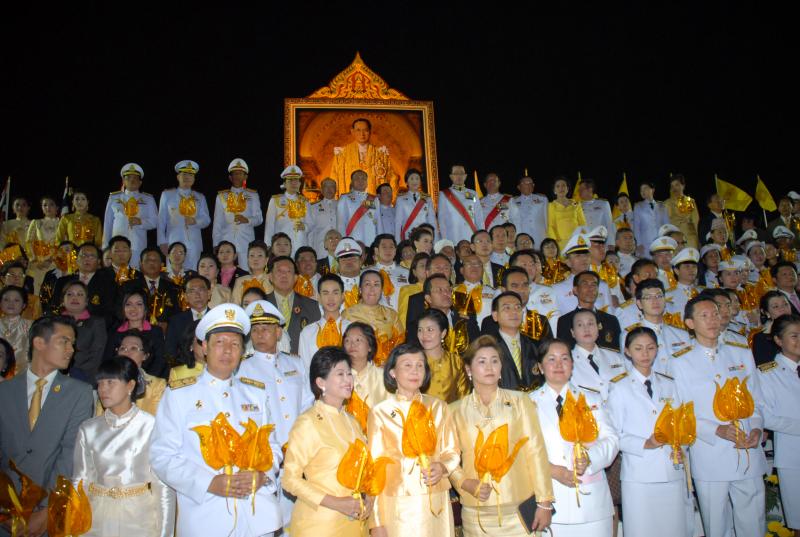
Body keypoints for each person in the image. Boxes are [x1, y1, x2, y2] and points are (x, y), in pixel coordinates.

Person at [150, 304, 282, 537]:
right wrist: (208, 483)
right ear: (204, 347)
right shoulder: (179, 395)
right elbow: (162, 456)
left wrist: (262, 476)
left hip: (257, 517)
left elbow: (272, 447)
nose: (227, 351)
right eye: (219, 342)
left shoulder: (256, 394)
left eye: (235, 344)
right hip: (206, 517)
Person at [667, 296, 767, 537]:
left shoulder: (740, 352)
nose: (712, 320)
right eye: (704, 316)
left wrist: (756, 427)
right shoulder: (680, 361)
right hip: (710, 453)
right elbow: (680, 411)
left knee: (753, 521)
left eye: (715, 313)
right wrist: (716, 429)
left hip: (746, 448)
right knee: (716, 523)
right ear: (690, 323)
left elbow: (756, 399)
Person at [450, 335, 554, 536]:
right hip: (476, 512)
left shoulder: (520, 401)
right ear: (469, 369)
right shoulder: (454, 410)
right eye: (482, 362)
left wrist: (545, 502)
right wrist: (464, 482)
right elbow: (448, 458)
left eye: (495, 361)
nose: (489, 367)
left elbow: (536, 451)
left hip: (519, 509)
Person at [0, 316, 94, 536]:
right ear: (39, 343)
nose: (71, 349)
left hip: (48, 514)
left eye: (72, 343)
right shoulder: (4, 391)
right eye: (64, 341)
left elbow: (70, 455)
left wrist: (47, 511)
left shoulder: (79, 393)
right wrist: (4, 510)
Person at [74, 355, 176, 537]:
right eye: (100, 383)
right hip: (96, 518)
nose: (103, 389)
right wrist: (73, 525)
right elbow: (80, 481)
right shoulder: (88, 429)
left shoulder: (150, 426)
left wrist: (164, 533)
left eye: (110, 382)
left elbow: (163, 488)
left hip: (139, 519)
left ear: (130, 386)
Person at [606, 327, 694, 537]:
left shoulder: (669, 383)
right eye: (638, 348)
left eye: (650, 348)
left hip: (671, 469)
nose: (645, 354)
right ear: (627, 351)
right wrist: (645, 443)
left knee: (674, 529)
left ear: (657, 349)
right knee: (642, 529)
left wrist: (681, 444)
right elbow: (614, 434)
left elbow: (682, 423)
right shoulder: (620, 387)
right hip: (640, 474)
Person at [367, 344, 460, 537]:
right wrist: (376, 521)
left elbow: (452, 452)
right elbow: (375, 468)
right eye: (407, 365)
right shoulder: (380, 412)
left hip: (436, 502)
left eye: (420, 365)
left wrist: (442, 467)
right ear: (392, 372)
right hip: (398, 504)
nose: (415, 371)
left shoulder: (439, 407)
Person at [529, 338, 619, 537]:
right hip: (551, 504)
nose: (559, 364)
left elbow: (611, 439)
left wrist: (590, 458)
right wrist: (553, 470)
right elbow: (522, 451)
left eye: (564, 358)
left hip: (593, 503)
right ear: (540, 367)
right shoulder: (528, 404)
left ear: (572, 364)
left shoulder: (591, 399)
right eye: (551, 359)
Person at [238, 300, 315, 531]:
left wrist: (300, 444)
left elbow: (307, 406)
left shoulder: (296, 363)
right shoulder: (241, 369)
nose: (260, 334)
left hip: (296, 455)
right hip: (263, 458)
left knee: (295, 521)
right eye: (255, 329)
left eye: (266, 328)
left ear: (279, 332)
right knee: (265, 521)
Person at [282, 347, 373, 536]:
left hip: (356, 524)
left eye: (349, 373)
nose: (348, 379)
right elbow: (290, 480)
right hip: (320, 524)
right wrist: (337, 503)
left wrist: (369, 499)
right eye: (340, 374)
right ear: (321, 382)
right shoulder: (308, 422)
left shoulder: (353, 422)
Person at [759, 314, 800, 535]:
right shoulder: (767, 373)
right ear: (778, 340)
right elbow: (766, 417)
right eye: (794, 336)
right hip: (793, 456)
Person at [481, 291, 541, 391]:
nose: (514, 312)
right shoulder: (486, 347)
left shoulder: (535, 344)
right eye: (507, 308)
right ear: (495, 316)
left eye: (518, 307)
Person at [157, 160, 210, 272]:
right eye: (184, 174)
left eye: (190, 175)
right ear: (178, 177)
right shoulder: (167, 195)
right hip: (173, 242)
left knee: (192, 274)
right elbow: (161, 220)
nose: (187, 177)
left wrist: (195, 221)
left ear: (194, 178)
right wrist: (161, 242)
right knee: (173, 275)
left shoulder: (200, 197)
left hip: (194, 244)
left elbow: (206, 220)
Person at [103, 163, 158, 269]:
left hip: (137, 246)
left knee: (135, 274)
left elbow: (155, 221)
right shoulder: (114, 198)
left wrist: (141, 222)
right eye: (128, 178)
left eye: (135, 178)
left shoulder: (148, 199)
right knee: (115, 274)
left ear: (140, 182)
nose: (132, 181)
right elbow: (108, 224)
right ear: (123, 181)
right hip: (117, 247)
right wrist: (106, 247)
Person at [342, 270, 403, 365]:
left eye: (376, 284)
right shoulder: (347, 314)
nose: (372, 289)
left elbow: (400, 342)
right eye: (367, 284)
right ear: (360, 289)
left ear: (381, 289)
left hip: (386, 366)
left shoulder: (391, 314)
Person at [212, 158, 264, 269]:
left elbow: (259, 218)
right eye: (235, 174)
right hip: (226, 241)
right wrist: (216, 243)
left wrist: (247, 220)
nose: (237, 176)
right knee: (226, 272)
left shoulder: (253, 195)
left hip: (246, 240)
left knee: (246, 272)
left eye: (240, 174)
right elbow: (217, 222)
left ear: (245, 177)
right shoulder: (222, 196)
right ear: (230, 177)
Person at [566, 308, 626, 402]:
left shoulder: (616, 358)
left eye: (590, 324)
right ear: (572, 332)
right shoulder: (566, 363)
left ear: (598, 328)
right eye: (580, 325)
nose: (586, 329)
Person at [264, 255, 321, 354]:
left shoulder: (312, 306)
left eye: (288, 271)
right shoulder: (261, 304)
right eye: (279, 271)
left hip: (302, 361)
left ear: (295, 278)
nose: (284, 275)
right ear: (270, 277)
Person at [106, 289, 167, 379]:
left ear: (145, 308)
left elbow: (160, 360)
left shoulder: (156, 331)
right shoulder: (114, 332)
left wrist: (146, 380)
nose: (133, 308)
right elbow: (107, 360)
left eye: (139, 304)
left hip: (149, 380)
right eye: (128, 304)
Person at [556, 271, 621, 351]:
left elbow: (617, 351)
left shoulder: (611, 320)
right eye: (585, 284)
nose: (590, 289)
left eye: (594, 285)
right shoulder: (565, 321)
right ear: (575, 290)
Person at [52, 242, 117, 321]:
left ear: (99, 261)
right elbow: (53, 307)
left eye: (92, 256)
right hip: (64, 324)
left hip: (95, 326)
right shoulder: (62, 282)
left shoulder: (108, 283)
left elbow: (109, 312)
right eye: (83, 255)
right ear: (76, 259)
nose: (87, 259)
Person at [330, 118, 396, 196]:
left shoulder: (381, 154)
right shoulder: (342, 154)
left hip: (373, 199)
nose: (362, 134)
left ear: (370, 132)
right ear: (352, 132)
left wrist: (390, 199)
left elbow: (391, 178)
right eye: (358, 130)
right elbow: (334, 179)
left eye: (365, 130)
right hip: (349, 199)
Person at [298, 274, 351, 369]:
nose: (330, 298)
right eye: (325, 293)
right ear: (319, 297)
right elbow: (304, 370)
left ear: (343, 296)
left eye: (335, 293)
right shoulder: (307, 332)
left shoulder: (352, 329)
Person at [552, 234, 615, 315]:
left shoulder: (602, 286)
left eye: (586, 255)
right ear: (568, 262)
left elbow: (610, 315)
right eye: (578, 256)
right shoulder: (557, 289)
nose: (584, 258)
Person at [416, 309, 469, 403]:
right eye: (420, 330)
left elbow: (464, 399)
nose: (424, 335)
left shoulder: (456, 361)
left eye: (430, 330)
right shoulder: (413, 362)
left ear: (443, 333)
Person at [122, 247, 182, 330]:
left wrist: (169, 325)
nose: (151, 263)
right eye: (148, 260)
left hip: (165, 333)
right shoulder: (128, 286)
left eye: (155, 260)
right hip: (136, 331)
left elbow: (178, 314)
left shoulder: (173, 288)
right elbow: (121, 312)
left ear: (162, 264)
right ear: (141, 264)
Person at [60, 280, 107, 385]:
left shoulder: (96, 323)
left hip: (85, 378)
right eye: (70, 294)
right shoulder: (54, 322)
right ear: (62, 300)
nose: (74, 298)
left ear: (86, 301)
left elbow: (97, 356)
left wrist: (74, 373)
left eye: (80, 294)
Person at [165, 274, 211, 366]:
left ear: (209, 293)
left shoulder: (217, 319)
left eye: (201, 290)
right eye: (192, 291)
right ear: (185, 296)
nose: (197, 295)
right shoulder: (176, 321)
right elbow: (170, 352)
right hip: (184, 369)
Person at [265, 165, 311, 255]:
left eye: (296, 180)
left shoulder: (305, 201)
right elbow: (269, 225)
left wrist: (305, 227)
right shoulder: (275, 200)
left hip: (300, 243)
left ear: (300, 183)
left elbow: (311, 222)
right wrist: (268, 246)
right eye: (290, 180)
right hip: (282, 245)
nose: (294, 183)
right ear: (285, 184)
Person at [438, 164, 483, 245]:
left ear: (465, 176)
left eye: (461, 173)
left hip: (471, 234)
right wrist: (445, 240)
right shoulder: (444, 194)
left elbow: (479, 217)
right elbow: (442, 220)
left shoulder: (473, 194)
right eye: (456, 173)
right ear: (451, 176)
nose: (459, 176)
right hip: (453, 236)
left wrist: (481, 236)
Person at [25, 196, 61, 293]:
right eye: (45, 205)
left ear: (57, 207)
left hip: (57, 263)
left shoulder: (62, 223)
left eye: (51, 204)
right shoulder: (36, 223)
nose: (48, 207)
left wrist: (53, 259)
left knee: (55, 291)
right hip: (39, 264)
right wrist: (35, 260)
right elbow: (28, 242)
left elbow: (64, 243)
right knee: (38, 291)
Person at [336, 170, 379, 247]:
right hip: (353, 240)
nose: (360, 181)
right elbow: (341, 224)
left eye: (363, 179)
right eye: (357, 178)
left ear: (367, 182)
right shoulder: (345, 198)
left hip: (371, 240)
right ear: (352, 182)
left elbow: (378, 221)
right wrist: (344, 242)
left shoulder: (374, 199)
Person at [395, 169, 437, 241]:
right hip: (408, 237)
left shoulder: (427, 199)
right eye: (411, 179)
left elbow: (432, 221)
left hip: (424, 237)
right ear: (406, 182)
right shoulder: (401, 199)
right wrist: (398, 242)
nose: (414, 181)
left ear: (420, 182)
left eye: (417, 179)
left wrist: (435, 240)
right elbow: (398, 223)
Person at [508, 174, 549, 249]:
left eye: (530, 183)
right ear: (519, 187)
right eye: (524, 183)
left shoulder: (542, 199)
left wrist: (547, 235)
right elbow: (510, 220)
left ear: (533, 185)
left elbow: (547, 219)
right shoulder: (513, 201)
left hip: (539, 237)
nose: (528, 185)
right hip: (522, 237)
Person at [752, 291, 792, 364]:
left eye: (785, 304)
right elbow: (765, 366)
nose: (783, 309)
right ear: (766, 312)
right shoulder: (762, 338)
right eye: (776, 307)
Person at [0, 285, 32, 374]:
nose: (11, 303)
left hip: (23, 374)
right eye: (6, 300)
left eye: (16, 300)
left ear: (24, 305)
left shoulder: (31, 326)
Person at [547, 177, 586, 251]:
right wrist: (555, 241)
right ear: (554, 190)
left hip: (577, 240)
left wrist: (583, 237)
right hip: (560, 242)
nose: (561, 188)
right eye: (558, 186)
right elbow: (551, 225)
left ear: (567, 189)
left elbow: (582, 223)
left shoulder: (576, 204)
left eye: (563, 185)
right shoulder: (551, 206)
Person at [664, 174, 700, 250]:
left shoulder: (689, 201)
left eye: (677, 185)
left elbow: (696, 221)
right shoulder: (667, 203)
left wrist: (698, 239)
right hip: (675, 239)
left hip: (690, 239)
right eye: (672, 186)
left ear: (683, 186)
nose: (674, 188)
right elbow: (666, 223)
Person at [577, 178, 615, 248]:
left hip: (601, 241)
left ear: (590, 189)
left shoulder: (603, 204)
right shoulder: (577, 206)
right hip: (585, 242)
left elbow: (609, 224)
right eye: (579, 190)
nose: (579, 192)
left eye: (581, 189)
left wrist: (611, 243)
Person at [307, 177, 338, 258]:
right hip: (321, 250)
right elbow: (310, 231)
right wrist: (310, 250)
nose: (329, 189)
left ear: (336, 189)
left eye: (332, 186)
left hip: (339, 248)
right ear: (321, 190)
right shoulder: (313, 207)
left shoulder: (341, 205)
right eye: (326, 186)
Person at [168, 319, 203, 384]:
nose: (206, 345)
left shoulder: (222, 370)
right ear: (191, 345)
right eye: (201, 341)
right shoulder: (178, 374)